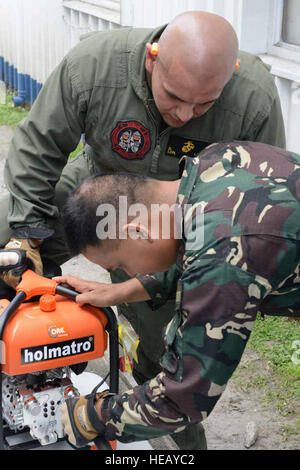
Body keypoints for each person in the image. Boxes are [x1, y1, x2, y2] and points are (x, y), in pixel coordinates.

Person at [0, 11, 286, 449]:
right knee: (6, 235)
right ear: (153, 59)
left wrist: (91, 415)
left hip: (185, 223)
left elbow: (249, 227)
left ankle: (177, 441)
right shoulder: (93, 66)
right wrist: (27, 236)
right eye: (174, 95)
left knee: (164, 352)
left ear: (229, 79)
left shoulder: (254, 103)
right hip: (108, 188)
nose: (184, 114)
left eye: (205, 104)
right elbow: (38, 148)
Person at [55, 140, 300, 446]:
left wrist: (93, 416)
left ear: (137, 232)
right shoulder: (211, 164)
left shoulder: (223, 252)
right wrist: (123, 291)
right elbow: (197, 244)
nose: (128, 272)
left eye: (119, 264)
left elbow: (186, 395)